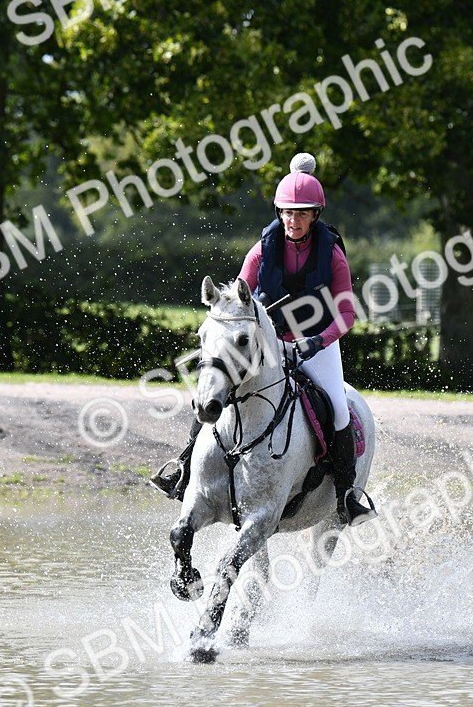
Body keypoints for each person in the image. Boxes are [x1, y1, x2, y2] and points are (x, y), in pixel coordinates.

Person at [150, 152, 377, 526]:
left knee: (337, 409)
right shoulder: (263, 249)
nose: (293, 220)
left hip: (317, 343)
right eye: (288, 212)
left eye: (302, 213)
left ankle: (347, 495)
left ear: (315, 214)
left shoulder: (332, 254)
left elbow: (347, 315)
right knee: (217, 392)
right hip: (268, 343)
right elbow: (241, 303)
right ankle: (183, 467)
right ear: (279, 213)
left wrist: (317, 341)